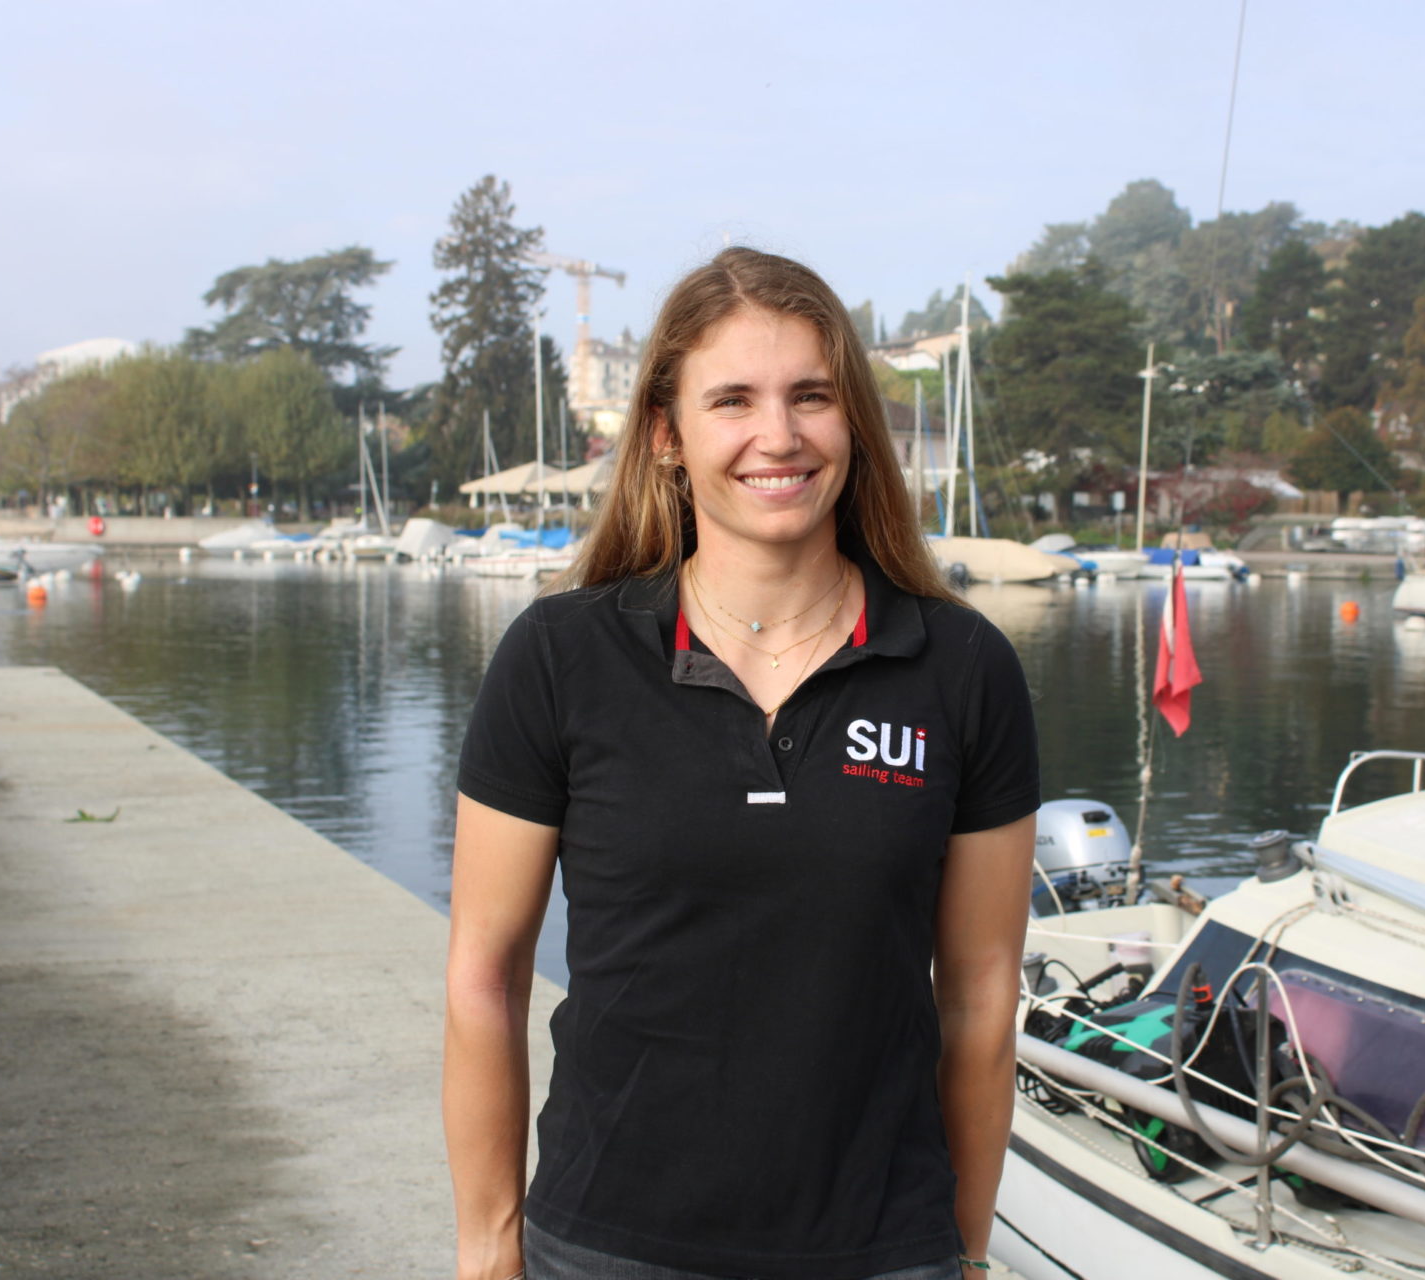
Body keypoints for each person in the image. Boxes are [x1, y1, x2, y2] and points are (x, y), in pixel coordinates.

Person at [445, 247, 1039, 1280]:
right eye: (734, 400)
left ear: (852, 420)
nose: (780, 435)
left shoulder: (963, 668)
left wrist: (970, 1249)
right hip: (605, 1245)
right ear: (668, 436)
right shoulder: (561, 657)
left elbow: (982, 995)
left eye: (812, 395)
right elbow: (481, 977)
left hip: (883, 1249)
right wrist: (489, 1246)